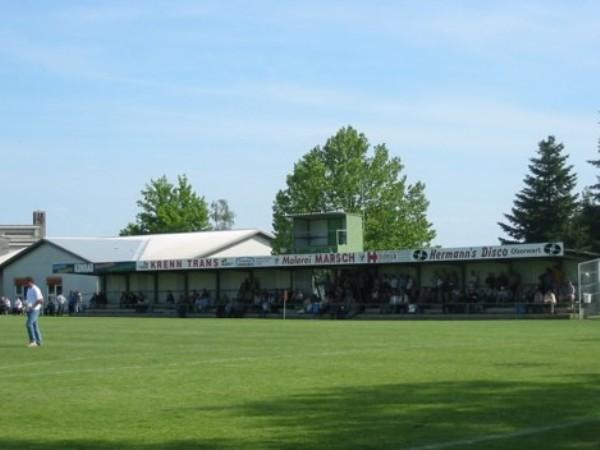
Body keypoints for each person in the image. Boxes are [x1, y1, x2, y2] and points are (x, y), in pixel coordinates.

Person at [24, 277, 44, 347]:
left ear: (30, 282)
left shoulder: (36, 289)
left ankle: (33, 341)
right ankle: (39, 341)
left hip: (35, 310)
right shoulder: (28, 289)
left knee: (28, 324)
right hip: (30, 310)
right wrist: (26, 306)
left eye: (26, 282)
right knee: (35, 326)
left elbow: (41, 300)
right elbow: (30, 300)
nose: (25, 284)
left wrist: (33, 306)